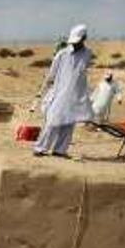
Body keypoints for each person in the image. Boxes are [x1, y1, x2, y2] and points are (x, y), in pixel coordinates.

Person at [33, 24, 94, 158]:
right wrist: (45, 89)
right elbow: (51, 75)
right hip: (59, 93)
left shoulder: (88, 54)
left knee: (69, 122)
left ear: (84, 38)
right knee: (52, 121)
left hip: (76, 94)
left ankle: (60, 150)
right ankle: (40, 148)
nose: (76, 44)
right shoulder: (62, 54)